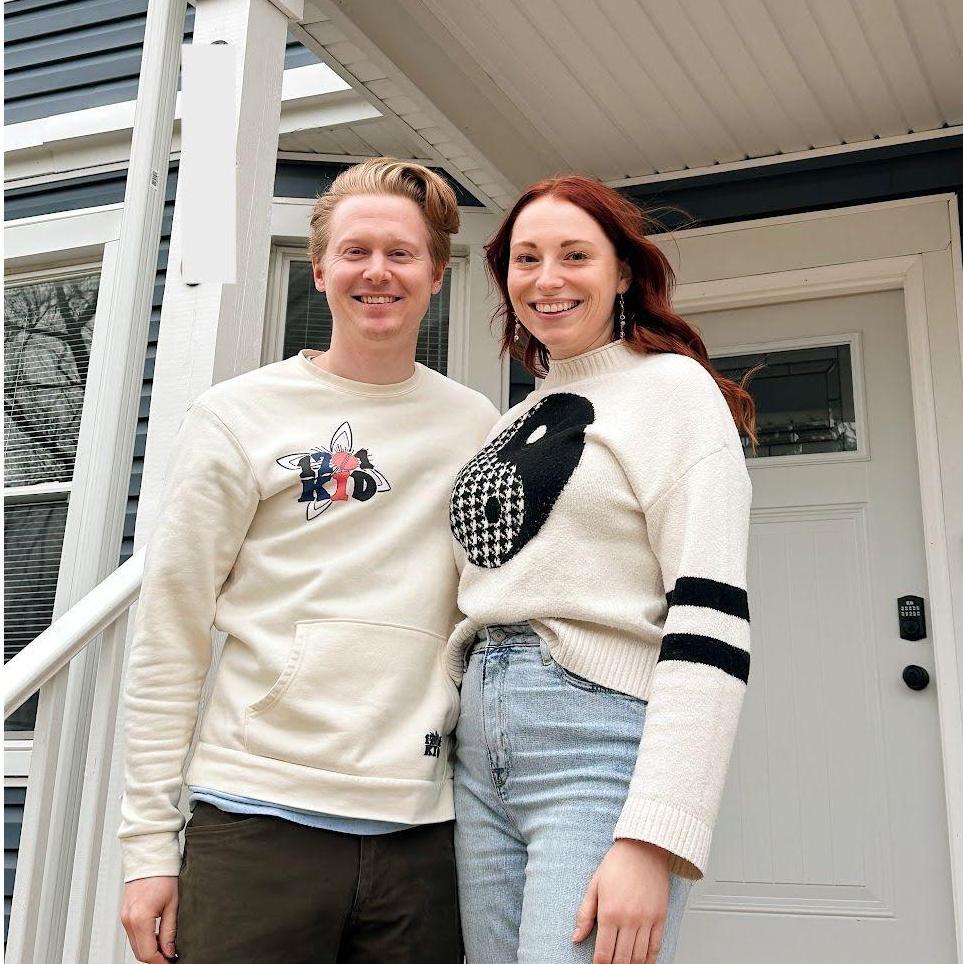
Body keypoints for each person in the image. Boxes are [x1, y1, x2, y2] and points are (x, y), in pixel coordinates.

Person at [119, 158, 499, 963]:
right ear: (320, 267)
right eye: (356, 251)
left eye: (401, 254)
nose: (377, 272)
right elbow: (170, 632)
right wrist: (148, 847)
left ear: (435, 274)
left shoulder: (474, 426)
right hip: (256, 818)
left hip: (421, 832)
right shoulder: (236, 417)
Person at [447, 176, 756, 964]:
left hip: (594, 745)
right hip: (477, 750)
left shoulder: (672, 392)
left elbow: (709, 621)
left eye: (573, 255)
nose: (546, 280)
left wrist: (654, 835)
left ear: (622, 272)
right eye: (525, 259)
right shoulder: (512, 419)